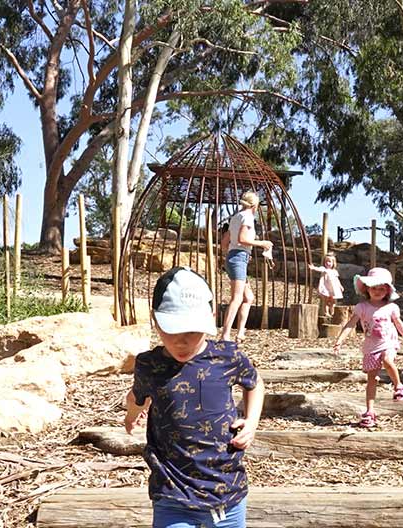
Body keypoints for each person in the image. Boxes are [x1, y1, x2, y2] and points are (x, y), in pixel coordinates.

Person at [125, 267, 265, 528]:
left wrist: (252, 421)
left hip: (227, 490)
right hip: (172, 494)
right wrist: (131, 416)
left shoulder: (227, 357)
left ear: (211, 317)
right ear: (155, 320)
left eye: (191, 330)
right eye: (172, 330)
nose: (181, 341)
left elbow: (255, 383)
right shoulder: (150, 365)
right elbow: (136, 397)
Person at [333, 267, 403, 428]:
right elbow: (351, 324)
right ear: (367, 289)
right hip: (371, 347)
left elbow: (399, 324)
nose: (377, 291)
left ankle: (398, 385)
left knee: (387, 359)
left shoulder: (391, 307)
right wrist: (340, 340)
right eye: (374, 288)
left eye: (381, 289)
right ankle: (370, 411)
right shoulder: (362, 307)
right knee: (372, 379)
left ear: (387, 291)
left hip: (388, 343)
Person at [221, 191, 273, 344]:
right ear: (255, 205)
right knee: (236, 298)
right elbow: (242, 239)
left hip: (235, 257)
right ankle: (225, 335)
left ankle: (240, 333)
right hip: (238, 258)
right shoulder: (248, 217)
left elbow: (226, 240)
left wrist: (233, 253)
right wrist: (262, 243)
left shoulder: (236, 217)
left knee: (248, 298)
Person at [309, 252, 344, 317]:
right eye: (326, 261)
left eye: (329, 262)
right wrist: (313, 268)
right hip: (326, 288)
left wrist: (340, 286)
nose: (328, 263)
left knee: (333, 301)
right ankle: (326, 312)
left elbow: (337, 280)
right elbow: (319, 269)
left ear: (333, 263)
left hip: (333, 288)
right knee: (326, 301)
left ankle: (332, 312)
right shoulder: (324, 269)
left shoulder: (334, 271)